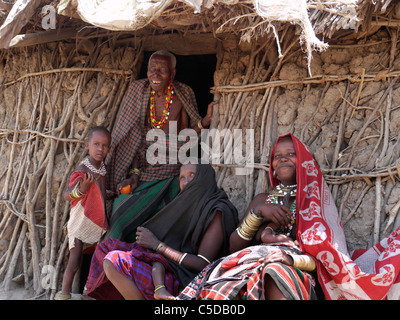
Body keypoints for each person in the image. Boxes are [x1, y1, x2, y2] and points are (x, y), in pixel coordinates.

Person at [179, 134, 400, 300]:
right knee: (225, 282)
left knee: (274, 273)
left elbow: (323, 260)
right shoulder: (262, 200)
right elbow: (234, 246)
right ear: (272, 167)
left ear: (303, 161)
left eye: (290, 154)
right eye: (277, 156)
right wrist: (258, 214)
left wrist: (288, 258)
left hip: (294, 268)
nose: (283, 159)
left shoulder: (315, 204)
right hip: (249, 262)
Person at [105, 50, 215, 242]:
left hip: (172, 168)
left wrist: (205, 121)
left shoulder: (183, 94)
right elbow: (130, 139)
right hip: (142, 169)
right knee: (121, 208)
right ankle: (116, 253)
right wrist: (134, 174)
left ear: (172, 74)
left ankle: (151, 255)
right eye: (151, 69)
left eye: (162, 70)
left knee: (170, 210)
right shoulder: (137, 91)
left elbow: (189, 136)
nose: (155, 74)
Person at [84, 162, 239, 300]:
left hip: (185, 277)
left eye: (192, 175)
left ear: (203, 177)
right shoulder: (186, 206)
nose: (185, 182)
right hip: (164, 266)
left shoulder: (216, 210)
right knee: (105, 247)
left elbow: (202, 264)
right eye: (182, 178)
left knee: (114, 260)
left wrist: (158, 245)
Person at [55, 126, 111, 300]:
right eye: (96, 144)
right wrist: (82, 189)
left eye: (104, 145)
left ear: (109, 148)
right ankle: (64, 294)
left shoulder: (101, 167)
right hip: (81, 220)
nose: (100, 149)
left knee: (97, 257)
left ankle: (89, 291)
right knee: (75, 259)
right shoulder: (83, 170)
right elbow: (66, 194)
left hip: (96, 219)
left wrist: (110, 193)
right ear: (87, 145)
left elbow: (99, 192)